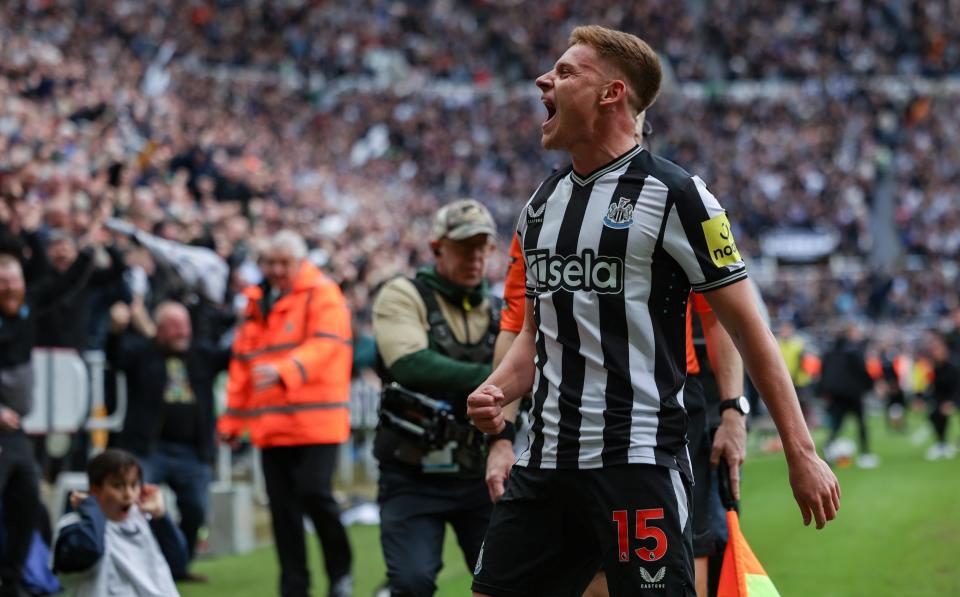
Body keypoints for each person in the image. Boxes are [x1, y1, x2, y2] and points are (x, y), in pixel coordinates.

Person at [467, 25, 840, 597]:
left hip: (637, 461)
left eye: (566, 73)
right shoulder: (541, 206)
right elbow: (539, 337)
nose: (544, 80)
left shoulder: (680, 196)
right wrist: (498, 390)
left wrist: (801, 452)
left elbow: (747, 328)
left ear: (612, 94)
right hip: (545, 464)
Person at [371, 199, 502, 597]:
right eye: (465, 246)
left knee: (509, 583)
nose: (475, 257)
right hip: (410, 474)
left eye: (483, 247)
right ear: (436, 248)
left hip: (479, 473)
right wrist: (504, 381)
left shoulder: (501, 310)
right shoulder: (402, 294)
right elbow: (410, 365)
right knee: (411, 584)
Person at [218, 230, 354, 597]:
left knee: (315, 495)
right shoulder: (255, 301)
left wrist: (285, 368)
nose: (276, 270)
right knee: (282, 511)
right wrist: (232, 421)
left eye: (284, 263)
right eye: (270, 262)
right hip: (272, 425)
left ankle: (340, 573)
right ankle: (294, 586)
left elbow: (328, 343)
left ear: (300, 262)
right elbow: (242, 366)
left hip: (317, 422)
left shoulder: (322, 292)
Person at [106, 300, 230, 579]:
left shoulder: (201, 355)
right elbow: (115, 357)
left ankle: (178, 566)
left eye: (184, 326)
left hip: (192, 452)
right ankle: (136, 565)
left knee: (196, 509)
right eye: (174, 327)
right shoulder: (143, 353)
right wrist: (115, 330)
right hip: (148, 449)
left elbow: (234, 354)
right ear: (158, 329)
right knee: (134, 503)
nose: (181, 332)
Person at [0, 244, 97, 597]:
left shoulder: (27, 309)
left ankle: (11, 584)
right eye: (2, 283)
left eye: (13, 281)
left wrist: (87, 250)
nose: (9, 288)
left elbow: (63, 284)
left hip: (18, 433)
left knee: (27, 505)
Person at [52, 449, 187, 597]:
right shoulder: (74, 525)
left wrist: (161, 517)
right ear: (95, 490)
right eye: (118, 486)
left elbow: (178, 562)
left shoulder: (145, 520)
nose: (128, 494)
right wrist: (92, 507)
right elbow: (89, 550)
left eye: (134, 485)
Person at [820, 323, 877, 468]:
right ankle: (865, 454)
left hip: (836, 394)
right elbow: (861, 371)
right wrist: (870, 386)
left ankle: (828, 446)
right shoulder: (853, 351)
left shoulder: (831, 351)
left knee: (837, 424)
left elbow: (825, 372)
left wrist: (826, 390)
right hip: (852, 394)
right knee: (861, 423)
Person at [925, 332, 957, 460]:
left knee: (943, 413)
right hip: (940, 398)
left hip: (953, 397)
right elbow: (931, 386)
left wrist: (952, 402)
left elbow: (957, 387)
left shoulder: (954, 367)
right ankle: (941, 443)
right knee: (933, 414)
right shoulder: (934, 368)